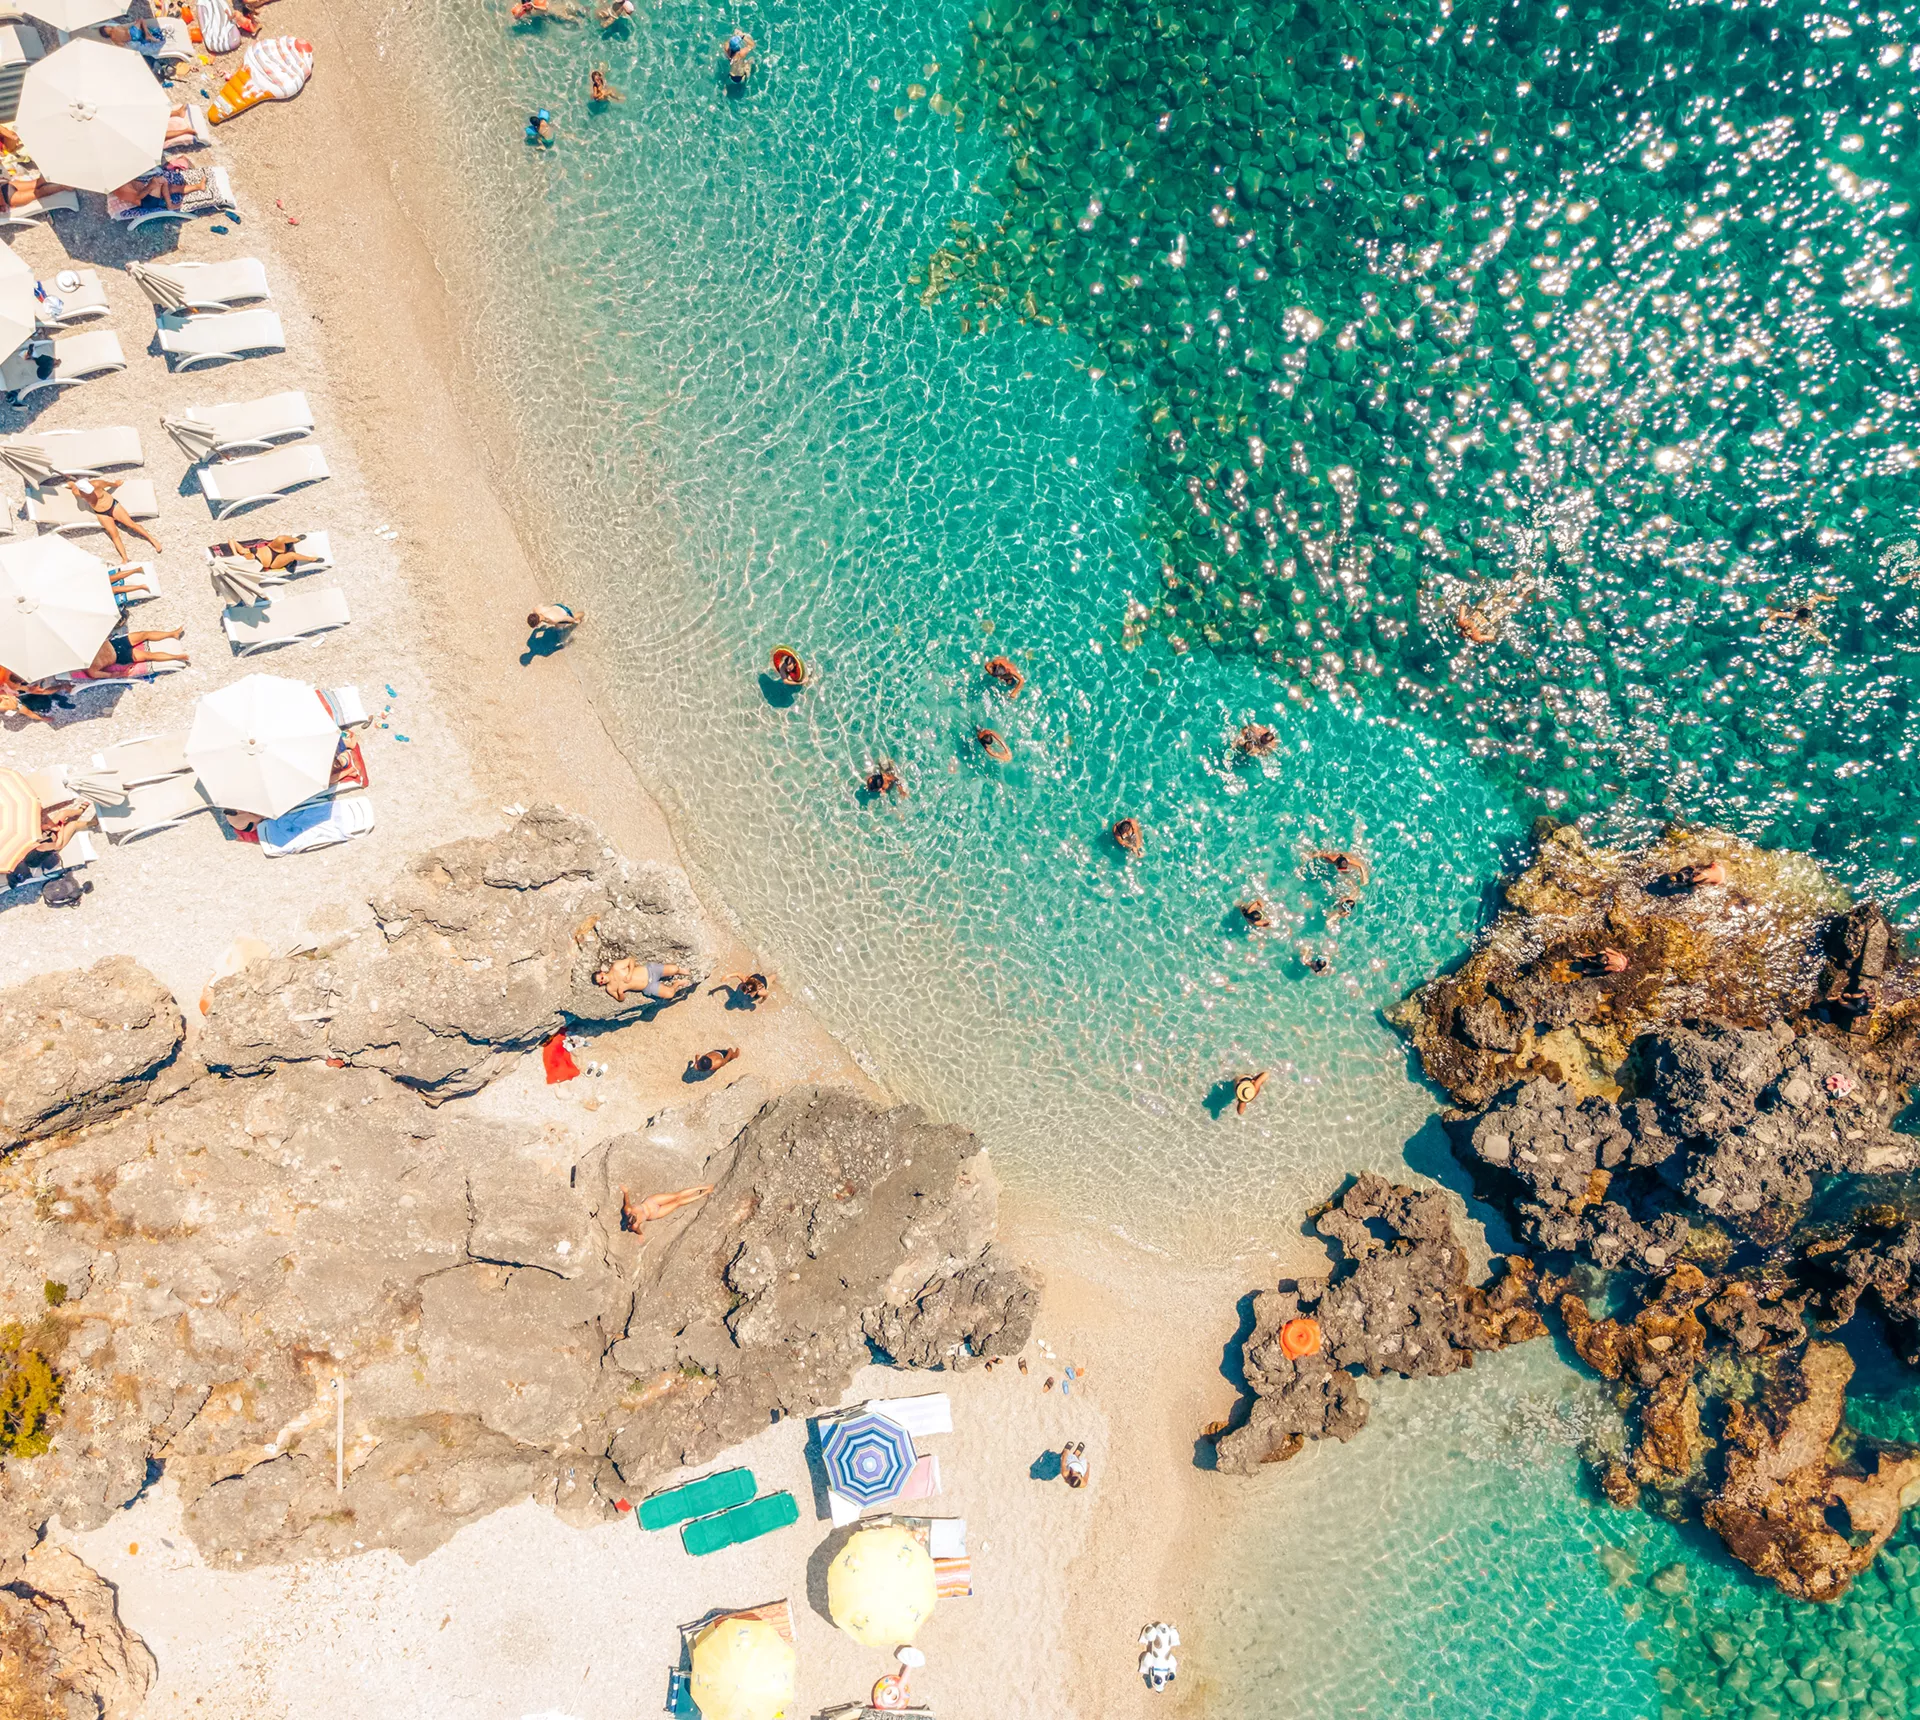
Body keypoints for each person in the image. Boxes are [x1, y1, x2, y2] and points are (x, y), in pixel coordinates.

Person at [68, 478, 161, 562]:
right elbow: (74, 488)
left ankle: (153, 540)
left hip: (113, 506)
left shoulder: (97, 483)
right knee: (114, 534)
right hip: (101, 513)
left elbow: (109, 484)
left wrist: (116, 484)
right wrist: (72, 484)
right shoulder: (77, 492)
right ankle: (125, 558)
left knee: (131, 524)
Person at [78, 627, 188, 677]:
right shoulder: (90, 669)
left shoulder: (85, 645)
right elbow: (108, 675)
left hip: (116, 642)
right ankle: (177, 656)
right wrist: (122, 674)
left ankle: (172, 634)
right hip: (121, 656)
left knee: (144, 634)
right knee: (148, 656)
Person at [619, 1182, 713, 1238]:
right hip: (655, 1213)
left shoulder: (628, 1209)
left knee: (677, 1196)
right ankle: (705, 1192)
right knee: (678, 1202)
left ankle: (704, 1188)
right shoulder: (634, 1226)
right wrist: (640, 1235)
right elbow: (639, 1232)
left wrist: (625, 1191)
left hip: (652, 1202)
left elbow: (626, 1197)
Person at [595, 958, 692, 1003]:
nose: (602, 981)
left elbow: (631, 960)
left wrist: (630, 973)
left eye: (601, 978)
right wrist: (620, 993)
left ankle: (679, 971)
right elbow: (621, 1000)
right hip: (648, 987)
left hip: (650, 971)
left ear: (602, 973)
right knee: (670, 994)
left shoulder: (616, 968)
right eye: (600, 982)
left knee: (674, 969)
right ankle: (677, 984)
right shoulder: (610, 988)